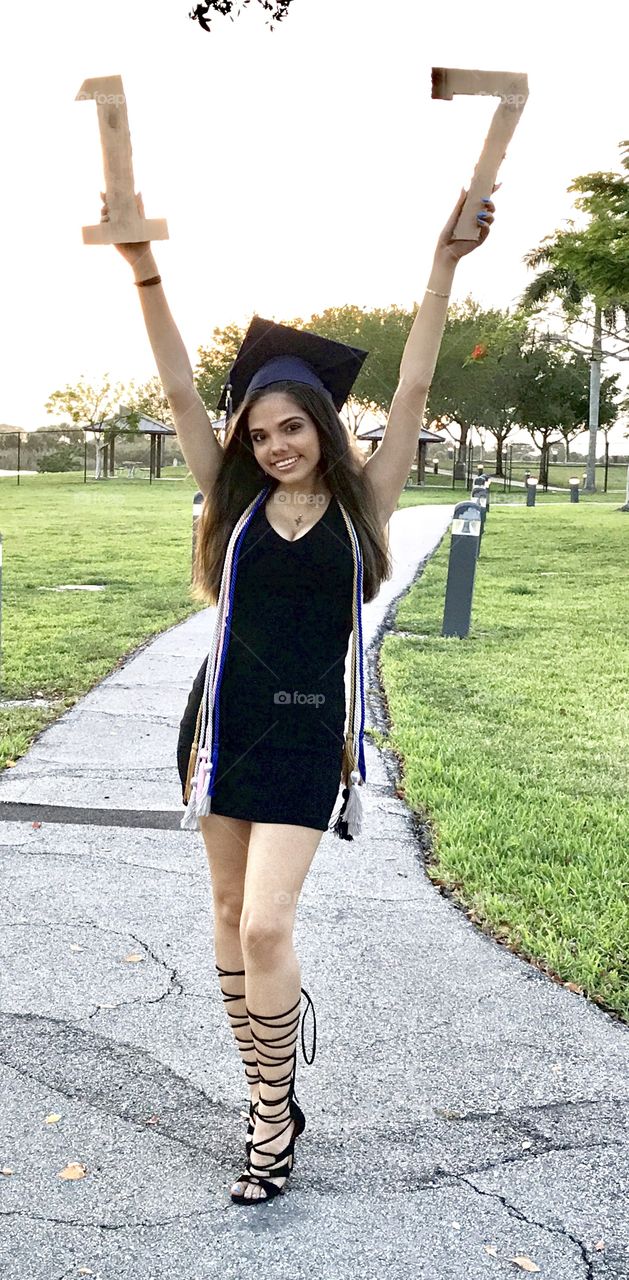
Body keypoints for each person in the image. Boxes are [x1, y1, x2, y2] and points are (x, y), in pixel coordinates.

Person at [100, 184, 495, 1204]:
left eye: (291, 428)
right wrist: (144, 267)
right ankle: (265, 1098)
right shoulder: (230, 503)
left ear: (319, 424)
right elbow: (184, 389)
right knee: (228, 916)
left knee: (267, 926)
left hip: (309, 735)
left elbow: (410, 392)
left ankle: (271, 1115)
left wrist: (440, 265)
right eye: (260, 433)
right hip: (221, 725)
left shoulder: (362, 502)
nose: (275, 445)